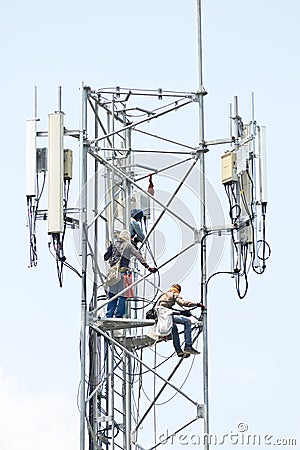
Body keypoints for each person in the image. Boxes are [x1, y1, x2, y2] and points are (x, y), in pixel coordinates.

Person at [104, 230, 157, 318]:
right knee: (123, 295)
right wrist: (148, 267)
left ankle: (109, 314)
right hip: (122, 273)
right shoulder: (128, 245)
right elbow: (138, 255)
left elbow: (105, 257)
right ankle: (119, 315)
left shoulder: (113, 244)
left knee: (112, 295)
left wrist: (111, 251)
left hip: (112, 274)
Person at [155, 283, 203, 357]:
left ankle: (178, 351)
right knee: (187, 321)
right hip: (165, 315)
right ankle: (188, 346)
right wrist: (197, 304)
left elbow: (167, 310)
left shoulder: (163, 295)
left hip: (160, 316)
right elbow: (182, 303)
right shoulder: (174, 294)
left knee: (174, 328)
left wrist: (182, 313)